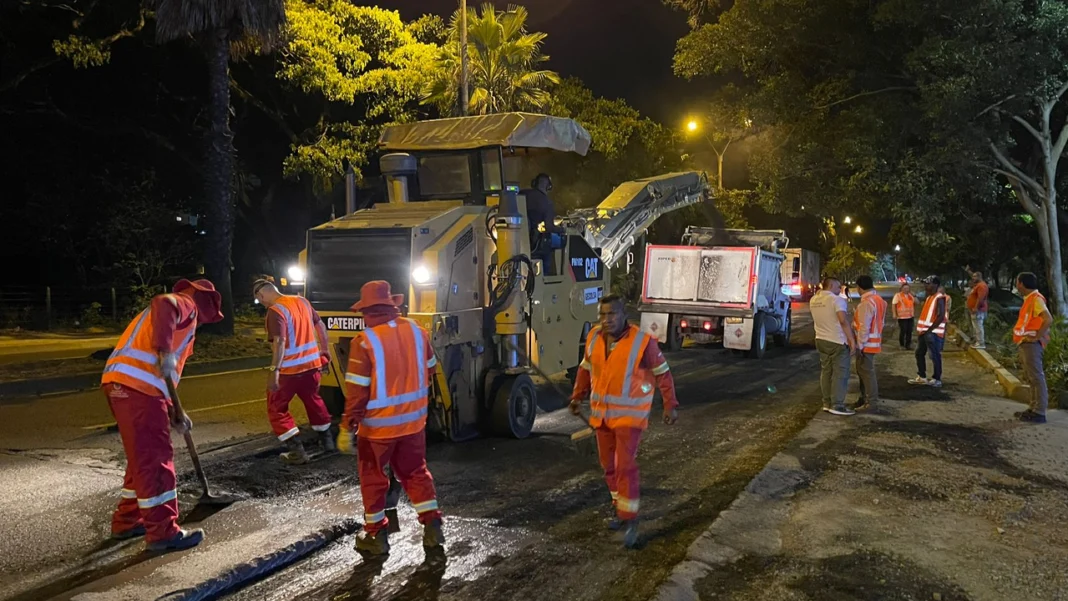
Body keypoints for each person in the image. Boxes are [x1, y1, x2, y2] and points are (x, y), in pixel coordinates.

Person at [101, 278, 223, 552]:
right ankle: (163, 532)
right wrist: (165, 350)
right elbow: (163, 302)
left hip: (125, 385)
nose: (203, 324)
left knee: (141, 457)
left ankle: (128, 520)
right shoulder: (186, 303)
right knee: (155, 460)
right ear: (204, 305)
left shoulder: (179, 321)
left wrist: (173, 410)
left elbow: (161, 377)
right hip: (138, 389)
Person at [338, 281, 444, 556]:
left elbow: (357, 393)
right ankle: (433, 526)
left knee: (373, 479)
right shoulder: (417, 332)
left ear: (367, 311)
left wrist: (347, 425)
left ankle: (376, 537)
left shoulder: (364, 342)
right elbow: (432, 369)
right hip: (413, 424)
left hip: (377, 431)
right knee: (415, 472)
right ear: (393, 306)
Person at [569, 294, 678, 549]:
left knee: (624, 466)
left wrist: (670, 405)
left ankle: (630, 521)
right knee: (608, 466)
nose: (607, 320)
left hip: (629, 417)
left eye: (612, 314)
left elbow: (663, 374)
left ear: (624, 315)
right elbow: (586, 369)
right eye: (603, 315)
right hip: (602, 415)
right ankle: (620, 509)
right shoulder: (594, 338)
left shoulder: (642, 342)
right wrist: (577, 396)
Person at [253, 279, 335, 464]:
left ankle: (296, 451)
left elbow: (280, 343)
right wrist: (325, 352)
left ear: (261, 294)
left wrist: (274, 371)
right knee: (314, 400)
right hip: (312, 366)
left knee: (277, 408)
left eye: (260, 300)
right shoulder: (302, 301)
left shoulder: (275, 311)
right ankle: (327, 442)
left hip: (289, 371)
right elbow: (320, 326)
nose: (262, 303)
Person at [810, 277, 858, 416]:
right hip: (837, 341)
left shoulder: (814, 300)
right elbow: (843, 321)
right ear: (830, 285)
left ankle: (826, 402)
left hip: (820, 339)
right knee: (840, 373)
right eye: (838, 287)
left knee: (826, 372)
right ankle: (837, 404)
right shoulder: (837, 300)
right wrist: (851, 339)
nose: (839, 290)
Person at [1012, 272, 1053, 424]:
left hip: (1032, 344)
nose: (1017, 286)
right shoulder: (1030, 299)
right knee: (1032, 377)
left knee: (1036, 377)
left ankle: (1039, 411)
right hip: (1028, 343)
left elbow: (1048, 319)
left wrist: (1036, 337)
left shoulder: (1035, 299)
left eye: (1017, 282)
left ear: (1022, 284)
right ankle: (1033, 408)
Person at [852, 276, 887, 412]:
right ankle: (865, 400)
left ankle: (871, 403)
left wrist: (859, 346)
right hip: (874, 342)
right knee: (865, 373)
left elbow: (864, 327)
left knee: (867, 374)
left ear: (859, 287)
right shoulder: (880, 301)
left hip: (866, 345)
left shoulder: (866, 303)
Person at [909, 276, 948, 387]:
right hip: (925, 332)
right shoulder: (930, 297)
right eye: (925, 283)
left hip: (932, 333)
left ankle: (937, 379)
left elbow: (941, 316)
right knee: (919, 353)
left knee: (934, 355)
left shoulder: (939, 297)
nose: (926, 285)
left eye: (928, 283)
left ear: (936, 285)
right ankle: (922, 377)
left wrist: (930, 330)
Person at [965, 267, 989, 349]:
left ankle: (981, 343)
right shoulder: (978, 285)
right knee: (976, 326)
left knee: (978, 326)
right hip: (975, 310)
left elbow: (980, 298)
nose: (973, 278)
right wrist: (969, 271)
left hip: (978, 310)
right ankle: (977, 341)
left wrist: (976, 307)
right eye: (973, 276)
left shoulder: (981, 286)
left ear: (979, 277)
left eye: (975, 277)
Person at [892, 283, 916, 349]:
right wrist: (894, 314)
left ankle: (908, 345)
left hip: (910, 316)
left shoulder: (910, 296)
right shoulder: (898, 295)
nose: (906, 290)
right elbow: (894, 304)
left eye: (907, 288)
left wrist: (915, 295)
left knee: (909, 331)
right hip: (902, 317)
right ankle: (902, 345)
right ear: (901, 289)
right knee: (903, 331)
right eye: (904, 288)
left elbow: (917, 302)